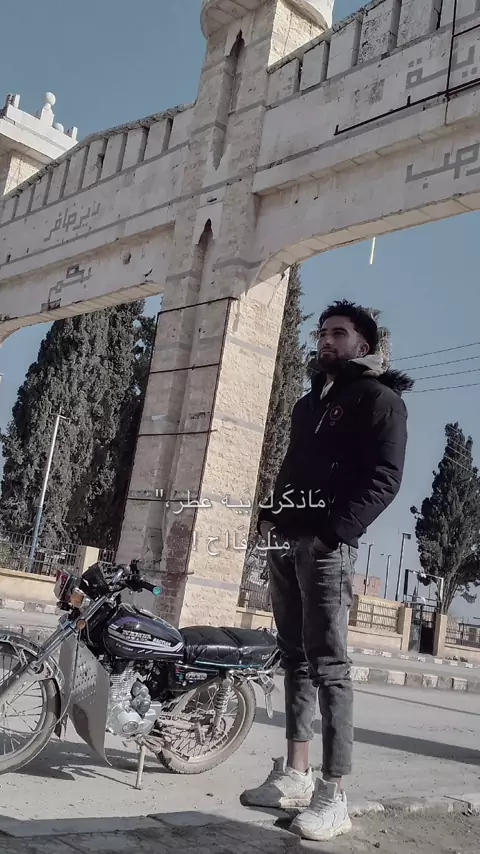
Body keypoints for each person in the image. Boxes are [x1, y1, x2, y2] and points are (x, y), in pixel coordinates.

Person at [240, 300, 413, 842]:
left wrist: (333, 533)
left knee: (330, 666)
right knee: (293, 657)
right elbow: (294, 468)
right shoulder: (308, 404)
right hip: (286, 541)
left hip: (326, 550)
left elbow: (385, 478)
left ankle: (333, 795)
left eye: (338, 333)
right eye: (321, 333)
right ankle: (296, 773)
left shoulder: (380, 401)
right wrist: (270, 516)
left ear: (364, 345)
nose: (326, 341)